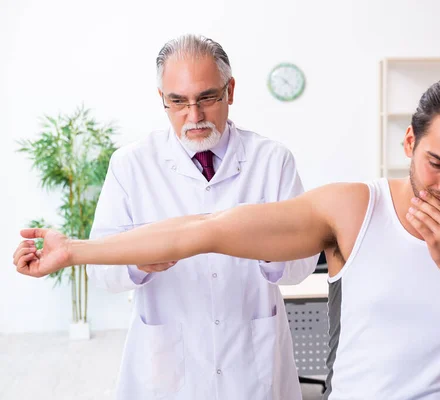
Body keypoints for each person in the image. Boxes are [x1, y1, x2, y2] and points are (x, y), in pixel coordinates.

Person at [14, 77, 440, 399]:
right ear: (409, 141)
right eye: (437, 163)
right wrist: (75, 251)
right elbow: (205, 231)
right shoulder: (354, 208)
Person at [34, 34, 318, 400]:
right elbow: (102, 273)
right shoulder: (131, 165)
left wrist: (265, 246)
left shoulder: (272, 160)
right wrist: (137, 262)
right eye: (178, 102)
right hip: (166, 367)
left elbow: (302, 266)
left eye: (207, 98)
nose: (194, 116)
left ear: (230, 91)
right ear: (162, 100)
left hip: (252, 364)